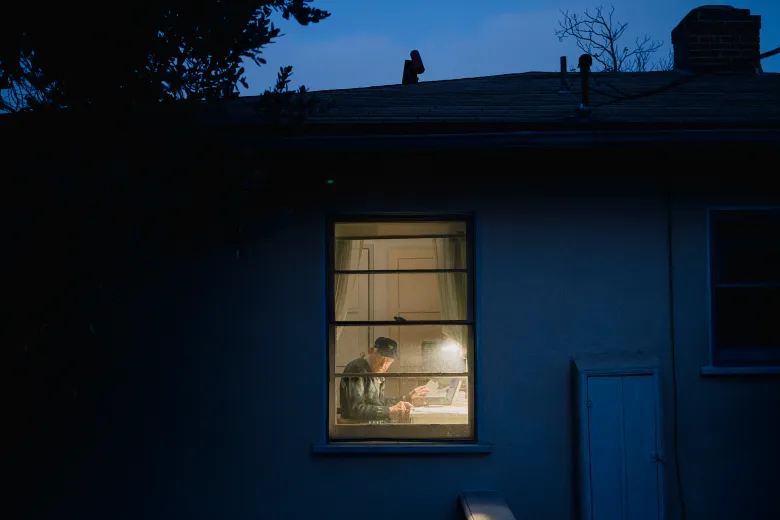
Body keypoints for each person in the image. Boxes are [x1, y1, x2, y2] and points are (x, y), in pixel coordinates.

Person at [339, 337, 429, 421]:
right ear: (371, 351)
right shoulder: (356, 369)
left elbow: (380, 403)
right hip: (355, 428)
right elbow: (356, 410)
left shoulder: (378, 373)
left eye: (388, 361)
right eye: (380, 358)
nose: (383, 365)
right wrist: (390, 410)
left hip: (370, 425)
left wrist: (407, 398)